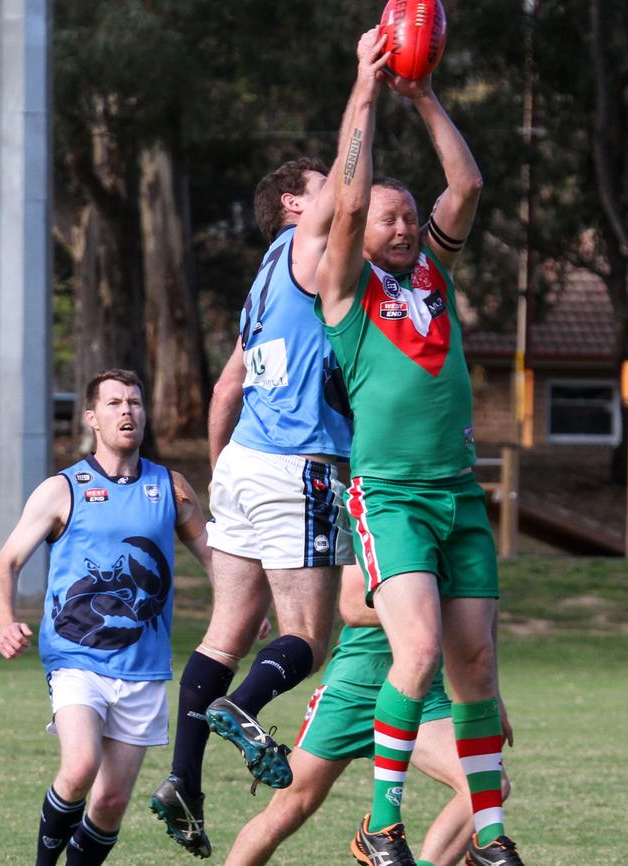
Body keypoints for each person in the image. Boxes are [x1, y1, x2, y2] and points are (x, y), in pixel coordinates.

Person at [149, 34, 392, 859]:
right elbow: (349, 182)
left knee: (225, 631)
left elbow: (225, 389)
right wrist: (366, 87)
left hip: (245, 464)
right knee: (309, 637)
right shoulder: (305, 248)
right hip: (300, 464)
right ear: (294, 204)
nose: (332, 193)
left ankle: (182, 777)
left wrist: (223, 484)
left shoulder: (263, 276)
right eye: (317, 190)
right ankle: (245, 710)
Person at [314, 29, 525, 866]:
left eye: (411, 216)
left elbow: (466, 182)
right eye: (390, 217)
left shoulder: (432, 275)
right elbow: (352, 201)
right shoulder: (344, 288)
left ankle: (496, 835)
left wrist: (423, 94)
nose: (403, 226)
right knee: (423, 650)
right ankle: (381, 826)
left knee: (474, 661)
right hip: (392, 494)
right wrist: (365, 89)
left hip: (458, 491)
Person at [0, 368, 212, 866]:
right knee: (81, 765)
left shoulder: (170, 488)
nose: (127, 411)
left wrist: (242, 612)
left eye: (134, 401)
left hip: (144, 667)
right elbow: (5, 564)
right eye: (113, 403)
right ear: (92, 417)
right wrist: (6, 621)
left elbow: (214, 555)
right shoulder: (61, 489)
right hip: (76, 659)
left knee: (110, 804)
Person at [222, 563, 511, 866]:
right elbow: (353, 607)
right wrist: (429, 610)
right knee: (285, 812)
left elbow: (480, 623)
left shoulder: (463, 536)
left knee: (488, 787)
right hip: (351, 693)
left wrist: (493, 698)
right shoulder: (386, 520)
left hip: (421, 698)